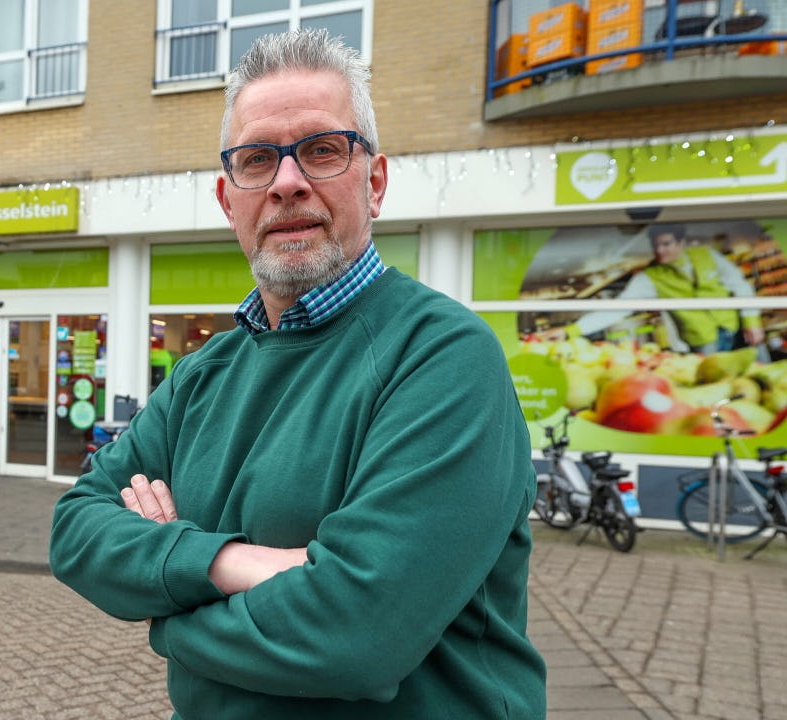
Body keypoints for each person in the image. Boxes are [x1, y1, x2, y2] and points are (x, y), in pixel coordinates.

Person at [49, 29, 545, 719]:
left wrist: (166, 609)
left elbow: (355, 634)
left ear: (373, 181)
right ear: (230, 202)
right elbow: (75, 529)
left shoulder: (443, 357)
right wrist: (229, 563)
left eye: (321, 150)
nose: (287, 182)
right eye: (258, 159)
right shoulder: (201, 375)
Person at [542, 224, 767, 359]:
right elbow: (616, 309)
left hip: (738, 329)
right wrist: (571, 331)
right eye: (656, 245)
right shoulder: (650, 277)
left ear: (681, 242)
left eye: (667, 244)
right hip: (704, 342)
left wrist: (752, 321)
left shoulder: (706, 255)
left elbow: (740, 285)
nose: (660, 251)